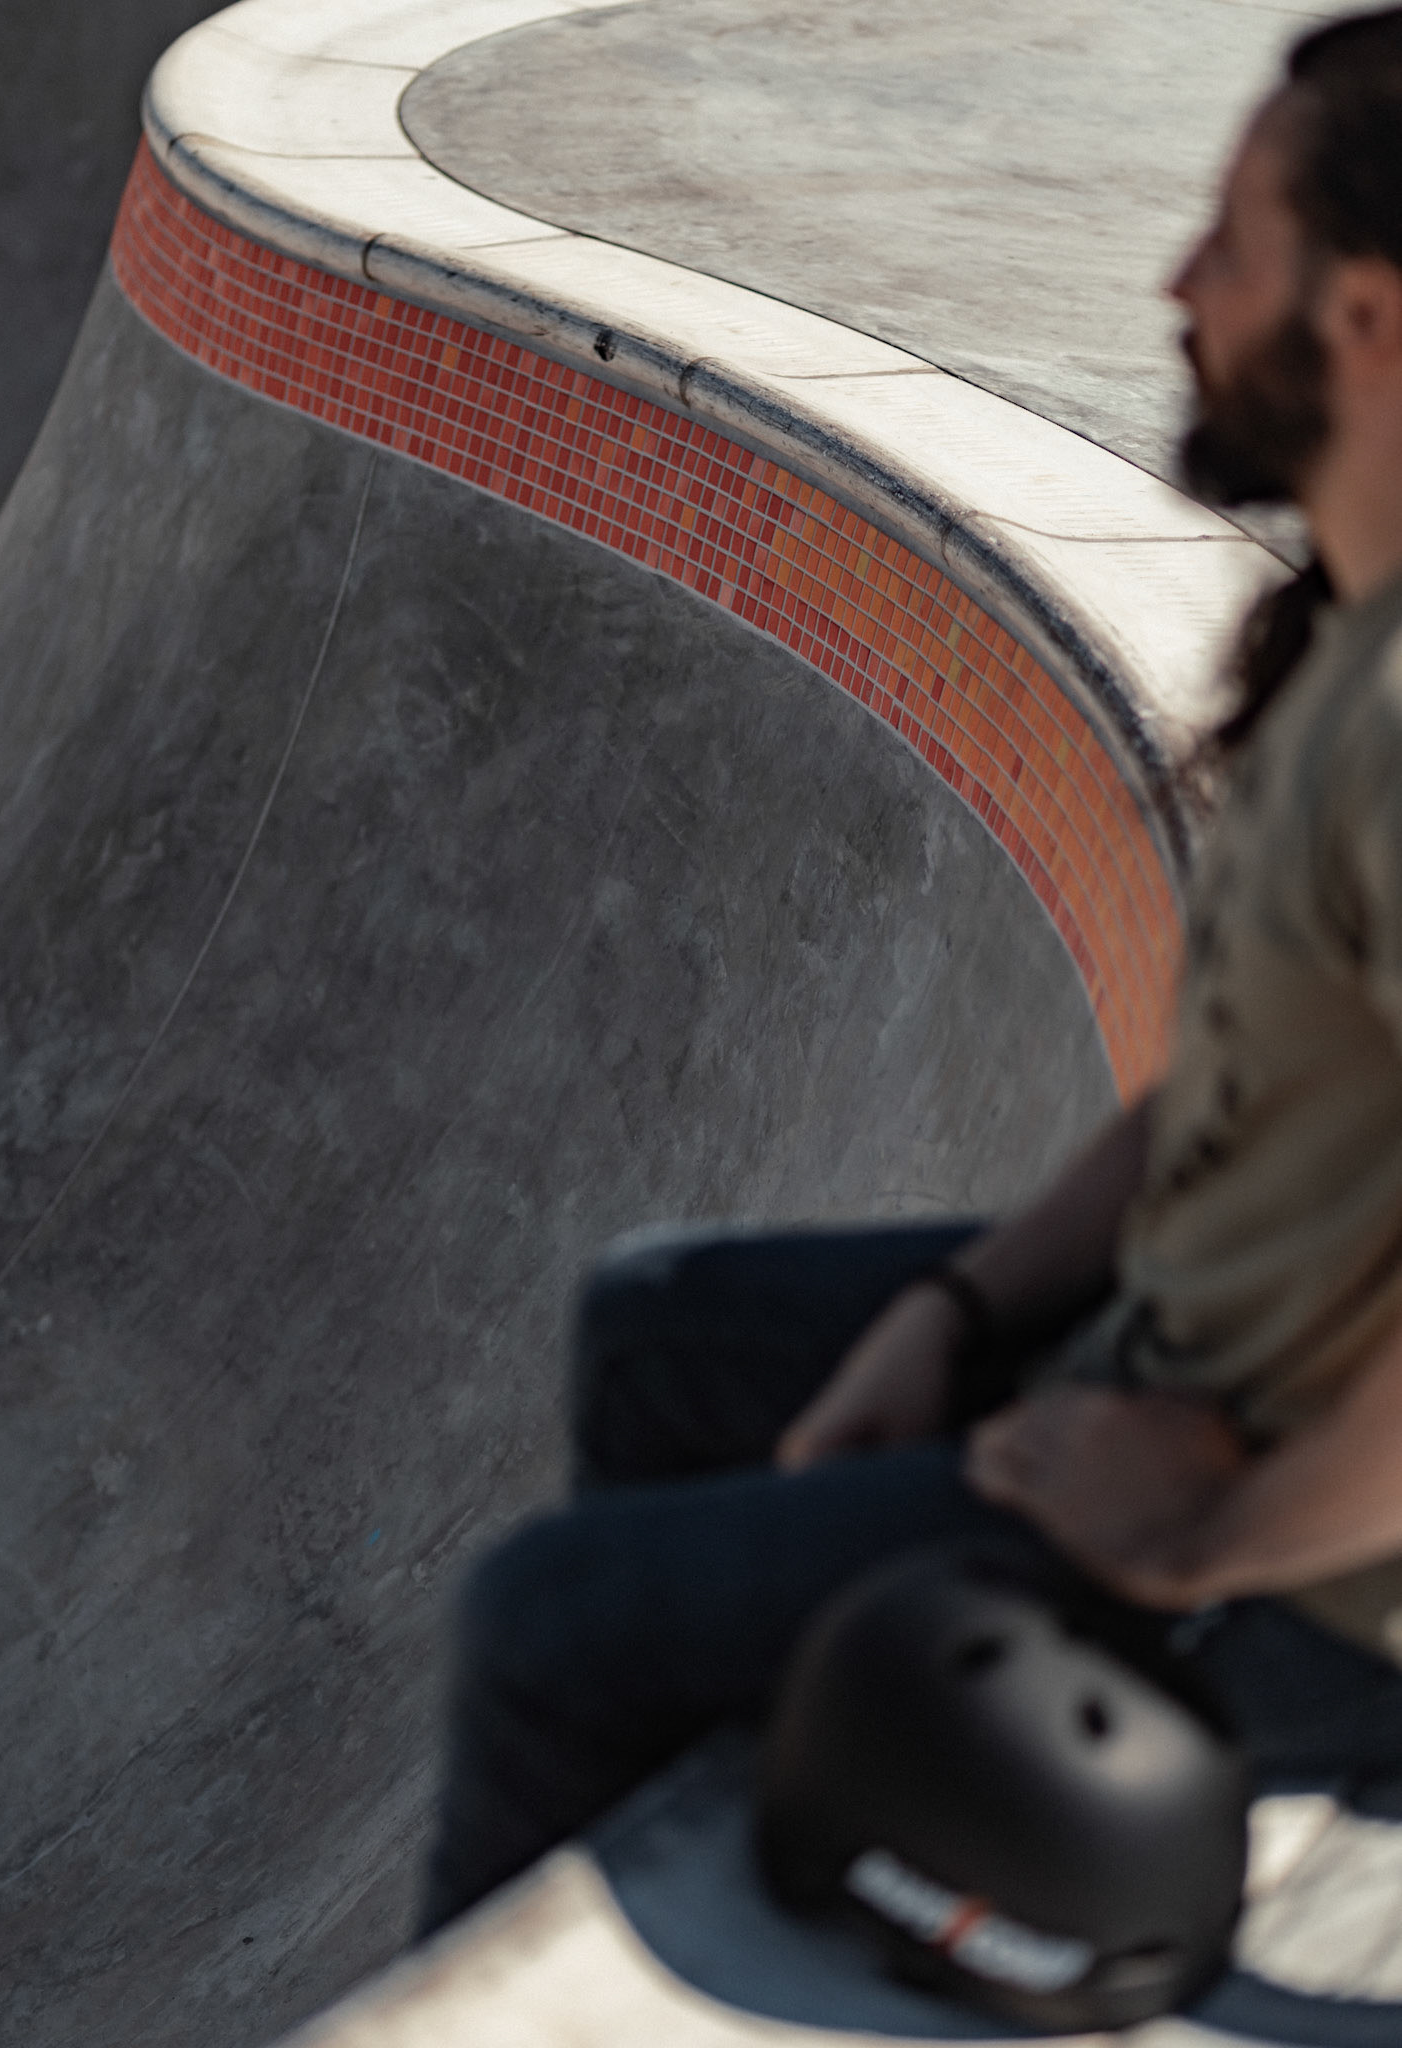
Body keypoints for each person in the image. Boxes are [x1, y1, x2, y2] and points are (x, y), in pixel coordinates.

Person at [418, 6, 1402, 1937]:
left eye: (1231, 243)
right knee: (666, 1327)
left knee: (550, 1626)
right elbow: (1228, 1098)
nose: (1174, 286)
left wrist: (1200, 1535)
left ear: (1363, 316)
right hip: (1194, 1372)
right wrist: (954, 1312)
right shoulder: (1343, 631)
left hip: (1330, 1576)